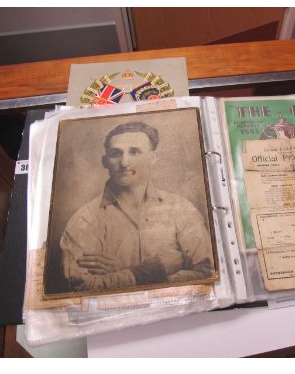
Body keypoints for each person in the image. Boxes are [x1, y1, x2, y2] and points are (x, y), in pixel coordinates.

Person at [60, 121, 215, 292]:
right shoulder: (85, 221)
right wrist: (151, 271)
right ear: (105, 161)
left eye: (134, 152)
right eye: (115, 153)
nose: (125, 162)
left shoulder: (182, 209)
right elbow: (82, 288)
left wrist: (128, 273)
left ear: (153, 157)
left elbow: (207, 272)